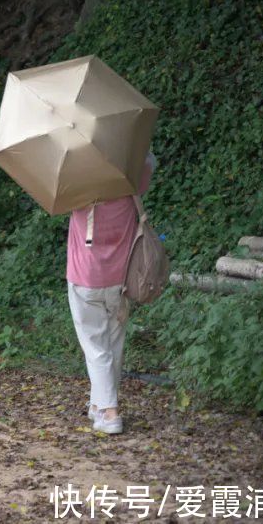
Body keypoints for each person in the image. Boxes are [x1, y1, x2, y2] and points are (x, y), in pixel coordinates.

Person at [66, 152, 157, 435]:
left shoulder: (77, 182)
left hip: (85, 279)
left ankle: (110, 411)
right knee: (113, 345)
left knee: (96, 347)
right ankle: (98, 404)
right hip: (122, 278)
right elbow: (150, 161)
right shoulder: (130, 176)